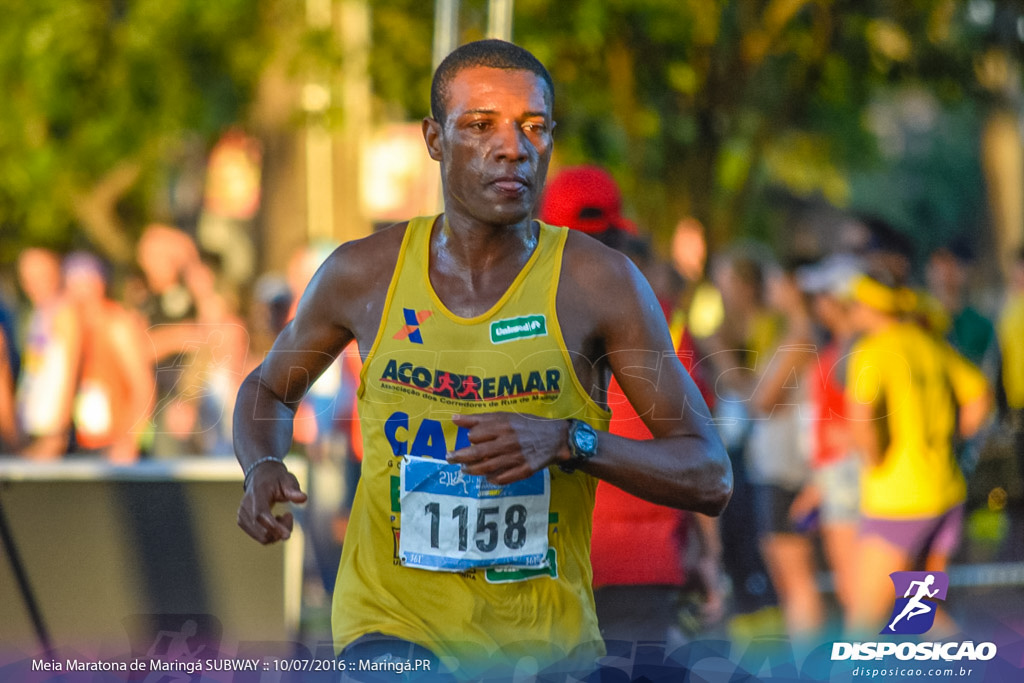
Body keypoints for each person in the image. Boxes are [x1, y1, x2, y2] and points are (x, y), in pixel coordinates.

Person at [233, 39, 731, 680]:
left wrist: (568, 441)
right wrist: (262, 463)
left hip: (545, 646)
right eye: (479, 126)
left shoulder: (597, 284)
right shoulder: (364, 273)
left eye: (533, 127)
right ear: (434, 139)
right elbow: (268, 389)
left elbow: (709, 474)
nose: (512, 146)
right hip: (392, 627)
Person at [844, 273, 991, 637]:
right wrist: (952, 437)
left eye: (856, 303)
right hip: (944, 490)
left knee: (863, 621)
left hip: (897, 501)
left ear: (872, 307)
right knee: (921, 615)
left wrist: (875, 458)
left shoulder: (873, 351)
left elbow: (861, 420)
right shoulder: (931, 344)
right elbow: (979, 397)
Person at [62, 252, 155, 463]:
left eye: (86, 282)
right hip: (80, 439)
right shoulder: (69, 323)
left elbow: (143, 386)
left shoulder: (116, 323)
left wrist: (130, 440)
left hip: (114, 442)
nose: (81, 290)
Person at [15, 247, 80, 459]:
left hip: (54, 430)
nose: (34, 284)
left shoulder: (66, 313)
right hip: (34, 425)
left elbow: (71, 372)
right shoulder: (38, 312)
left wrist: (59, 430)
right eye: (28, 278)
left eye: (42, 276)